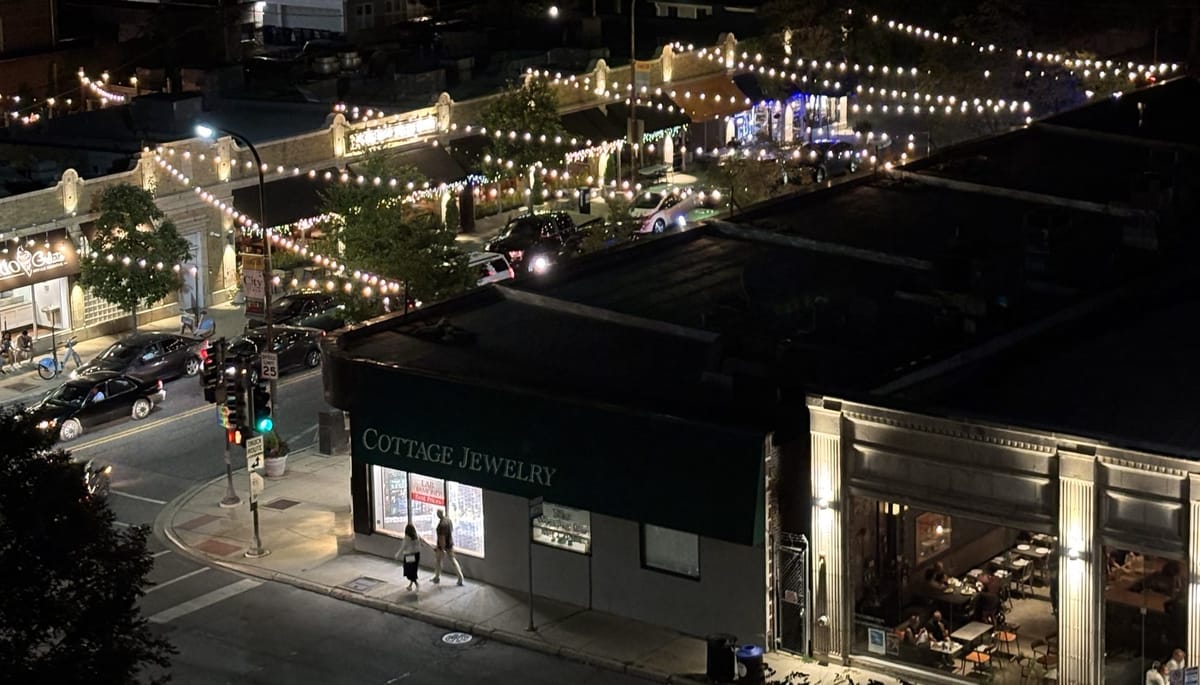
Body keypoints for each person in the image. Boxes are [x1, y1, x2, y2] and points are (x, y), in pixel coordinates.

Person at [431, 508, 465, 586]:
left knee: (438, 561)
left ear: (439, 514)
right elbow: (451, 530)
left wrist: (441, 548)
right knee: (453, 561)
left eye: (437, 513)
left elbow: (442, 538)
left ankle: (437, 577)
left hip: (442, 546)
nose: (437, 514)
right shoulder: (448, 520)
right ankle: (460, 577)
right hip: (450, 543)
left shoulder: (441, 525)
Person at [395, 524, 424, 591]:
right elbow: (422, 542)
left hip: (409, 555)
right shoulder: (417, 535)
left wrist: (397, 554)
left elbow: (403, 547)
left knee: (408, 570)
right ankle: (411, 585)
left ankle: (415, 584)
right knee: (413, 569)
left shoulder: (407, 538)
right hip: (417, 554)